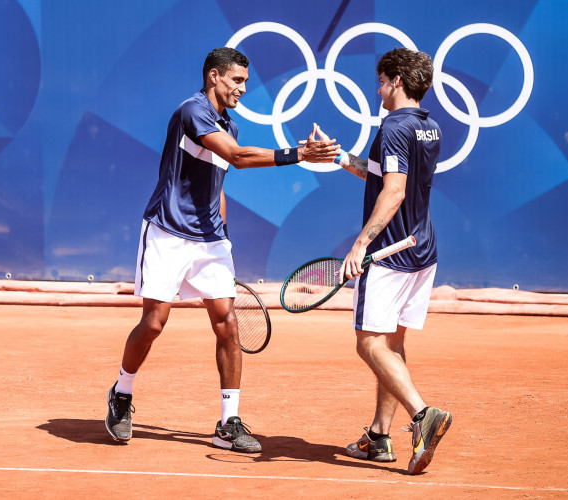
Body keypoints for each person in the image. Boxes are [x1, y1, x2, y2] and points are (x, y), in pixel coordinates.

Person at [105, 47, 339, 452]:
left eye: (245, 81)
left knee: (227, 322)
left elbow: (219, 181)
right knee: (155, 322)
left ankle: (228, 422)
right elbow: (237, 158)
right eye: (237, 80)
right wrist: (298, 154)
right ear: (214, 76)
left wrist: (223, 236)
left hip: (211, 238)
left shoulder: (230, 123)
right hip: (168, 231)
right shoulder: (192, 111)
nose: (243, 89)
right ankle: (121, 393)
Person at [322, 47, 451, 474]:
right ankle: (380, 436)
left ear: (396, 80)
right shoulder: (427, 126)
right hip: (421, 249)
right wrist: (338, 157)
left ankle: (422, 414)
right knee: (392, 345)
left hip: (390, 254)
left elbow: (393, 191)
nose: (377, 89)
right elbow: (379, 172)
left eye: (380, 81)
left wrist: (360, 245)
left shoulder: (394, 125)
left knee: (369, 343)